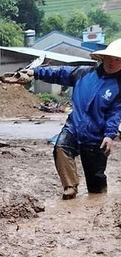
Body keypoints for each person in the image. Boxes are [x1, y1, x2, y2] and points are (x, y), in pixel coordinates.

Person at [31, 39, 121, 200]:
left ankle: (100, 204)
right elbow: (59, 72)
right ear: (103, 58)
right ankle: (70, 187)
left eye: (117, 60)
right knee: (61, 147)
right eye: (110, 58)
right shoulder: (84, 73)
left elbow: (115, 113)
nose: (112, 63)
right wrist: (34, 73)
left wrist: (109, 134)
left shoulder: (119, 86)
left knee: (96, 186)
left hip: (97, 136)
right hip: (74, 127)